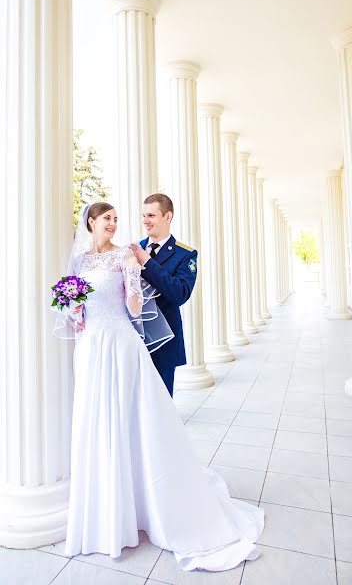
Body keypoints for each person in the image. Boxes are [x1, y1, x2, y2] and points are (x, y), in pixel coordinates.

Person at [60, 201, 264, 570]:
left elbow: (157, 301)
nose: (127, 223)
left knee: (146, 423)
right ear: (91, 222)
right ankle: (107, 506)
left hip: (129, 345)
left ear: (167, 216)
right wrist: (72, 307)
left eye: (147, 215)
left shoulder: (148, 254)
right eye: (111, 218)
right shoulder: (82, 261)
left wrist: (136, 276)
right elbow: (78, 309)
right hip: (91, 348)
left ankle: (149, 500)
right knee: (98, 421)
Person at [130, 193, 196, 397]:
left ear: (168, 216)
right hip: (133, 337)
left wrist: (147, 263)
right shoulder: (133, 249)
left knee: (161, 400)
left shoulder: (185, 254)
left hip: (165, 341)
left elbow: (180, 294)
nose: (145, 221)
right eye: (143, 215)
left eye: (151, 215)